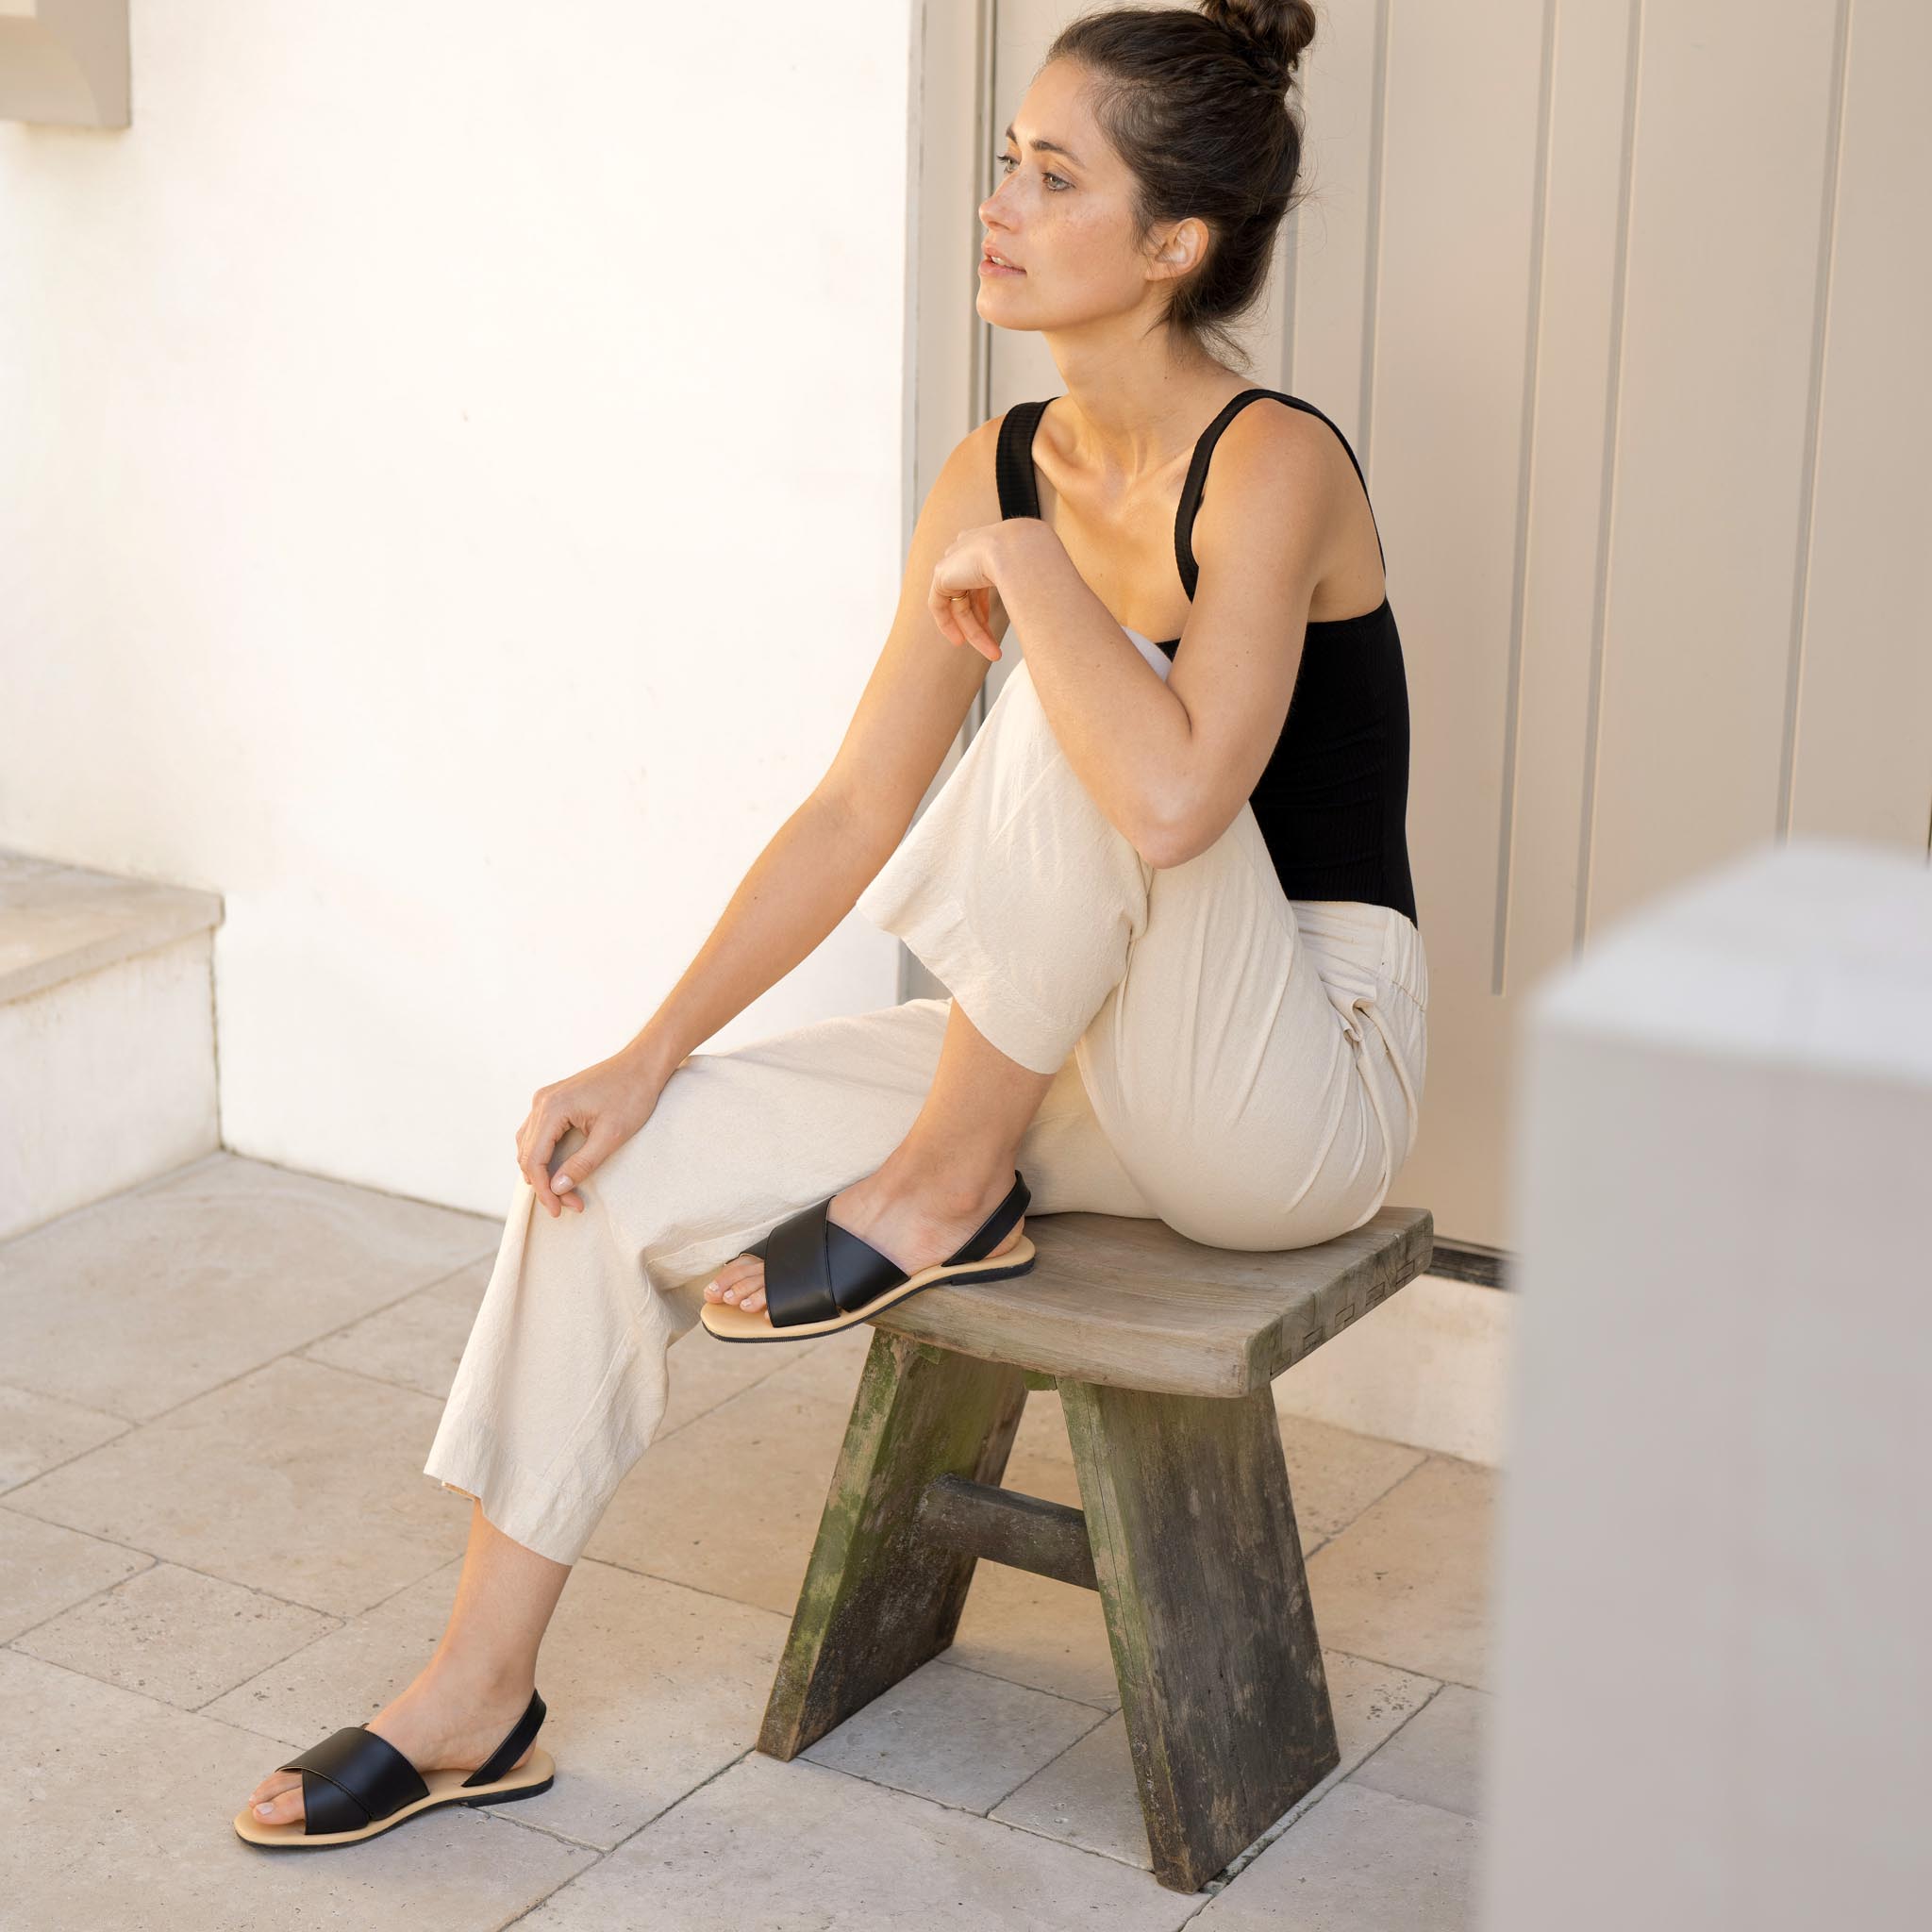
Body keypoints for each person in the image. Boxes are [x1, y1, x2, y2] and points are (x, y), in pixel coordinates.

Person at [238, 0, 1428, 1843]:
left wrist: (1033, 575)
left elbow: (1178, 803)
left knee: (1083, 711)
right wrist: (648, 1053)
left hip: (1300, 1080)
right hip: (1080, 1046)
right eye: (1006, 161)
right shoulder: (993, 463)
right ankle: (477, 1694)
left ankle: (945, 1184)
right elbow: (854, 807)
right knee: (609, 1172)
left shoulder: (1274, 462)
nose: (1000, 205)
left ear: (1174, 243)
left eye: (1054, 177)